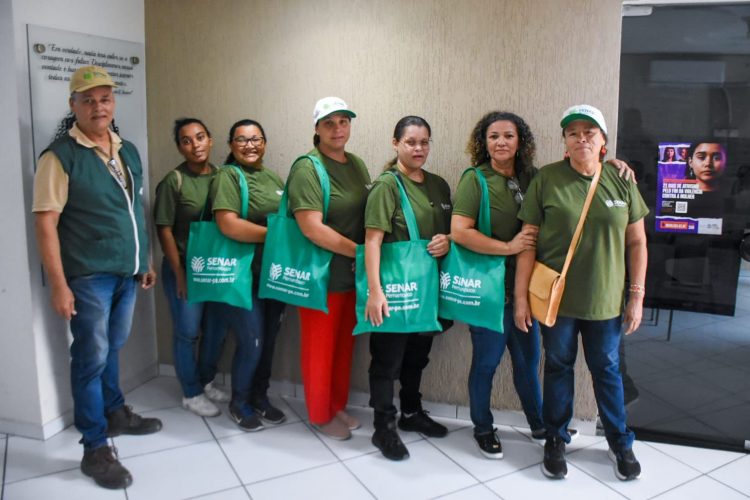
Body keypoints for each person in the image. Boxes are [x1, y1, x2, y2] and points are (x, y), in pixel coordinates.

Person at [32, 65, 161, 490]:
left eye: (104, 98)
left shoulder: (127, 150)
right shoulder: (59, 157)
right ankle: (94, 446)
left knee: (111, 348)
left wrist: (144, 260)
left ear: (113, 102)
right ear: (73, 105)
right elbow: (46, 223)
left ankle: (114, 412)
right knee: (90, 357)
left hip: (127, 272)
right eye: (87, 100)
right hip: (89, 276)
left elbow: (133, 211)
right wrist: (59, 285)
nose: (97, 106)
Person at [514, 104, 648, 481]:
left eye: (590, 132)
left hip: (605, 302)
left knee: (607, 369)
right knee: (558, 367)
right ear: (565, 141)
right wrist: (521, 298)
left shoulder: (621, 179)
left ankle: (620, 442)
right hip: (557, 302)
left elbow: (637, 242)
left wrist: (637, 295)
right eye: (573, 132)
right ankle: (555, 438)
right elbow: (528, 241)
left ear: (603, 141)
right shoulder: (547, 179)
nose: (581, 138)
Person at [450, 111, 544, 459]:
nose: (501, 142)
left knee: (528, 362)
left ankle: (539, 425)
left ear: (521, 141)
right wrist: (507, 247)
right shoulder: (476, 179)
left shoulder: (533, 176)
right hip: (489, 291)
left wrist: (613, 164)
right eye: (493, 136)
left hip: (526, 291)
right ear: (484, 142)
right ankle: (482, 427)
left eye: (508, 135)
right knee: (486, 363)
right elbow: (460, 232)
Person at [363, 116, 451, 460]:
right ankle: (383, 428)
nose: (418, 148)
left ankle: (411, 413)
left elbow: (451, 229)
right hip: (395, 290)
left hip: (427, 290)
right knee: (387, 361)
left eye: (424, 142)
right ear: (396, 143)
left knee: (418, 355)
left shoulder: (439, 185)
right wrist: (375, 292)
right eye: (411, 142)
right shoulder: (386, 186)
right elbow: (372, 241)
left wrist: (448, 240)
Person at [286, 97, 371, 440]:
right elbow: (311, 228)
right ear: (317, 128)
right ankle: (320, 415)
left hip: (352, 275)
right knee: (319, 349)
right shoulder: (307, 168)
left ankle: (336, 405)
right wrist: (359, 252)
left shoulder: (357, 164)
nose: (338, 129)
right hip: (320, 277)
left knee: (343, 348)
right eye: (329, 123)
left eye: (344, 122)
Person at [207, 119, 287, 431]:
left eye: (256, 139)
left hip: (273, 275)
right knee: (252, 340)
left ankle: (259, 397)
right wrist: (274, 236)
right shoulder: (228, 176)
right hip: (242, 277)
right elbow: (227, 224)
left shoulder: (272, 177)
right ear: (231, 145)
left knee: (269, 342)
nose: (250, 145)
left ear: (264, 143)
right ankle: (239, 402)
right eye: (242, 139)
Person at [153, 118, 230, 417]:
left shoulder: (223, 176)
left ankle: (206, 381)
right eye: (186, 140)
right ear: (179, 147)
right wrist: (180, 274)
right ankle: (191, 392)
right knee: (187, 331)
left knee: (217, 329)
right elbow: (164, 230)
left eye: (200, 137)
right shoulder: (174, 181)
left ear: (210, 140)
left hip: (217, 268)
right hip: (184, 268)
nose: (195, 145)